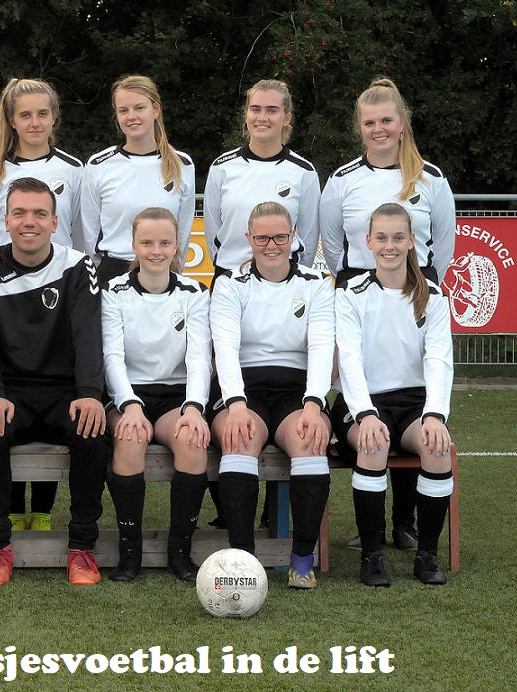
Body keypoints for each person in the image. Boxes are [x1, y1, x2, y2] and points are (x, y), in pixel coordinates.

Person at [320, 78, 455, 551]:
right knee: (370, 394)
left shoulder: (431, 179)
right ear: (360, 128)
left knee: (412, 393)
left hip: (412, 290)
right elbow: (334, 245)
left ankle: (405, 523)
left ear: (402, 124)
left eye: (386, 121)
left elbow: (444, 245)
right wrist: (361, 286)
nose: (378, 129)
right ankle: (374, 531)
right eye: (369, 122)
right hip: (360, 293)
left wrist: (415, 289)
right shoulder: (341, 180)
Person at [0, 177, 107, 586]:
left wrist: (89, 394)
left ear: (54, 222)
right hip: (9, 394)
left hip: (63, 393)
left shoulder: (77, 265)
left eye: (39, 214)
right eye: (19, 213)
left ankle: (82, 549)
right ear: (6, 220)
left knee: (93, 429)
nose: (29, 221)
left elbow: (88, 335)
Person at [209, 201, 335, 589]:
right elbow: (225, 348)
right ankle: (242, 561)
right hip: (243, 390)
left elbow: (321, 346)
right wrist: (236, 405)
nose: (272, 245)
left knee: (310, 441)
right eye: (262, 237)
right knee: (239, 438)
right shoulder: (230, 284)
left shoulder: (315, 284)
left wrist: (314, 403)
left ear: (294, 236)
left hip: (297, 391)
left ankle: (301, 560)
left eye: (280, 236)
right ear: (248, 239)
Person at [333, 203, 454, 586]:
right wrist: (365, 414)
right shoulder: (350, 292)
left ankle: (427, 555)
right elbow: (349, 359)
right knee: (373, 443)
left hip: (414, 404)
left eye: (398, 237)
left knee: (436, 448)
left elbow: (439, 359)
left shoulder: (432, 296)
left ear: (411, 241)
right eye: (381, 237)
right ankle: (371, 556)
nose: (390, 245)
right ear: (368, 242)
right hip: (362, 401)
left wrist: (435, 414)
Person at [102, 207, 211, 583]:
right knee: (130, 437)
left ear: (177, 244)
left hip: (174, 397)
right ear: (133, 245)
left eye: (165, 242)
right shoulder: (113, 292)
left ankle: (180, 551)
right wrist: (129, 405)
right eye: (146, 242)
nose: (156, 250)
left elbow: (199, 359)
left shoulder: (194, 292)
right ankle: (129, 552)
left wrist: (194, 408)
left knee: (192, 441)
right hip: (128, 395)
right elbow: (112, 357)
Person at [80, 75, 195, 286]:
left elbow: (183, 233)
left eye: (139, 108)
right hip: (112, 273)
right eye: (123, 110)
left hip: (162, 272)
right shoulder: (98, 165)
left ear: (155, 109)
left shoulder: (182, 165)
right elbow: (89, 234)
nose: (131, 116)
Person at [204, 79, 320, 279]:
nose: (262, 117)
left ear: (286, 118)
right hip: (231, 278)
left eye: (272, 110)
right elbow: (213, 232)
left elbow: (308, 241)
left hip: (284, 281)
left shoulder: (304, 172)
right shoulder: (221, 167)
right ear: (246, 114)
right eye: (255, 109)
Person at [0, 78, 81, 252]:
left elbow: (79, 234)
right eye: (25, 115)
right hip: (7, 276)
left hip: (60, 275)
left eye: (42, 114)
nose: (35, 123)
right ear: (12, 121)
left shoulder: (74, 169)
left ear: (53, 117)